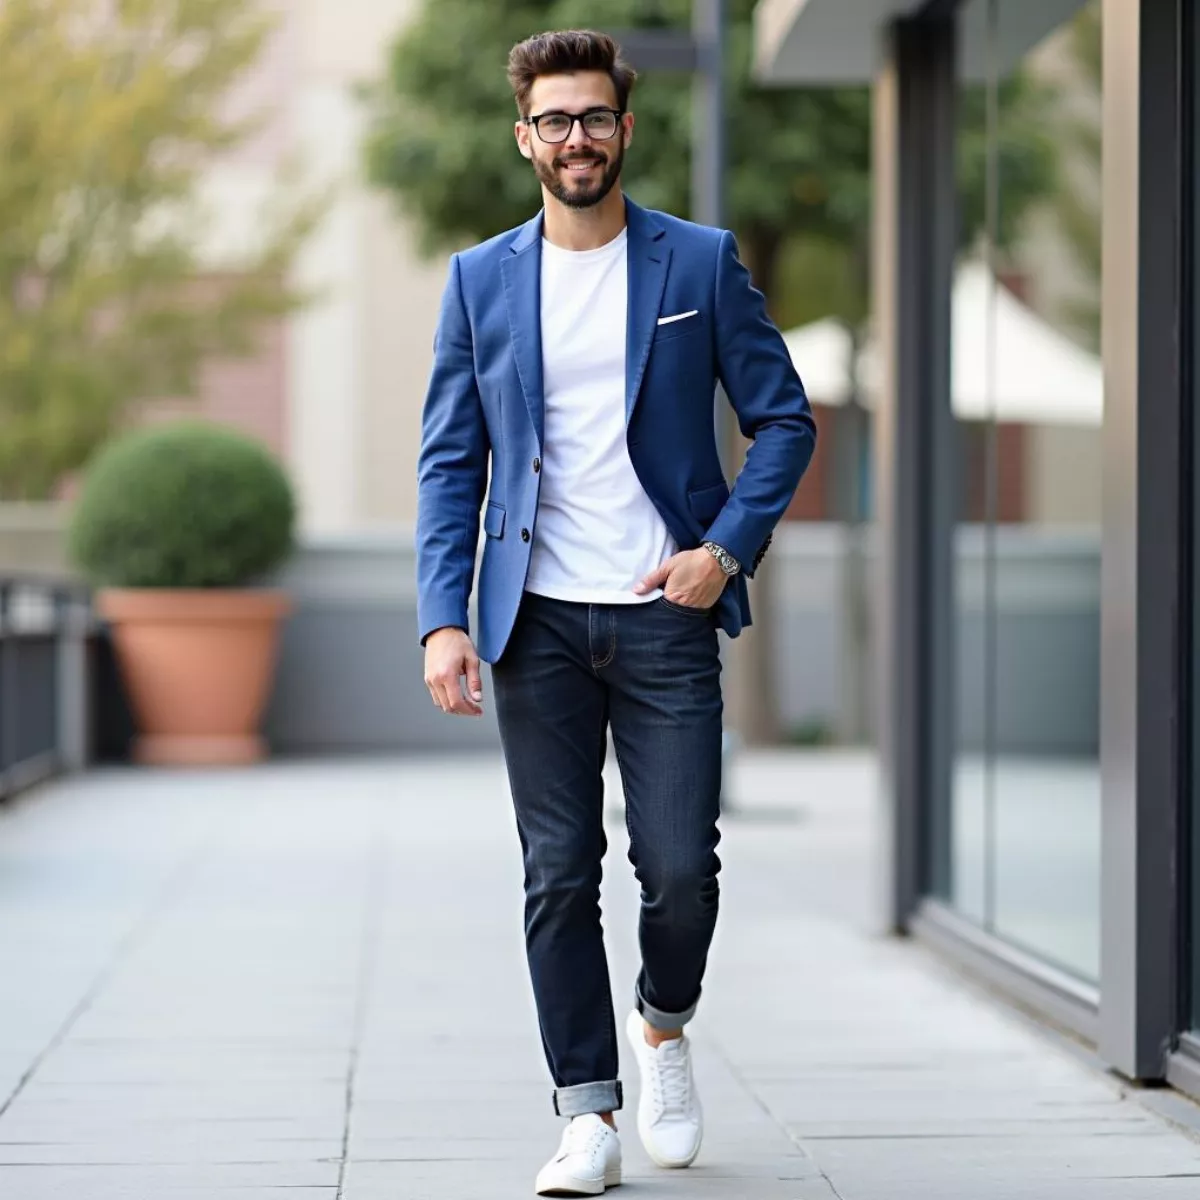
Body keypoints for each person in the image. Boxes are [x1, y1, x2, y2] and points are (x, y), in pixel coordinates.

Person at [416, 28, 815, 1197]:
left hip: (664, 614)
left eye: (595, 118)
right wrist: (445, 618)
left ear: (625, 130)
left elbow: (785, 419)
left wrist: (724, 555)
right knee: (557, 871)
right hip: (534, 618)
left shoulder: (696, 264)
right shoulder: (480, 279)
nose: (576, 138)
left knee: (681, 867)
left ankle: (664, 1025)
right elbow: (452, 462)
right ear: (524, 137)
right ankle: (586, 1111)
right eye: (554, 120)